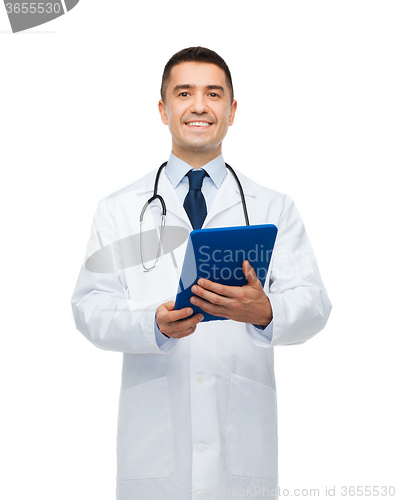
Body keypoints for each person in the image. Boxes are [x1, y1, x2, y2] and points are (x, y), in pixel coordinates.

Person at [71, 47, 332, 500]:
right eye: (184, 92)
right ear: (163, 109)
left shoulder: (273, 206)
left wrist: (267, 311)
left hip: (241, 452)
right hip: (153, 452)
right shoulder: (119, 209)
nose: (199, 105)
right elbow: (89, 307)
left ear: (231, 112)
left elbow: (314, 304)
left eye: (213, 94)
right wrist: (150, 324)